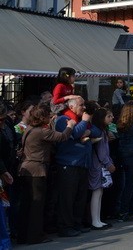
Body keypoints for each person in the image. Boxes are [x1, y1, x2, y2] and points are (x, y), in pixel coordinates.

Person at [17, 103, 75, 244]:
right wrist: (70, 126)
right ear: (42, 117)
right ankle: (35, 236)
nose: (50, 117)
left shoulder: (29, 129)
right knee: (37, 205)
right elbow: (61, 137)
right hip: (37, 170)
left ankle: (23, 235)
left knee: (26, 204)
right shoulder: (41, 132)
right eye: (48, 115)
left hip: (25, 169)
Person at [54, 97, 101, 237]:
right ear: (72, 107)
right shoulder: (63, 120)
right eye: (81, 105)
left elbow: (97, 132)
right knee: (67, 197)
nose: (84, 108)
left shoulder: (80, 121)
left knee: (80, 196)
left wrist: (86, 130)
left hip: (82, 163)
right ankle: (65, 226)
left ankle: (76, 223)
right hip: (69, 164)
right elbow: (73, 134)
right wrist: (85, 122)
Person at [88, 107, 116, 230]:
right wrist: (108, 163)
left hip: (99, 164)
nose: (112, 118)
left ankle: (97, 219)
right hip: (98, 165)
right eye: (109, 116)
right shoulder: (99, 131)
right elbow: (102, 152)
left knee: (99, 192)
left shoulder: (102, 131)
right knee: (97, 191)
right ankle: (95, 220)